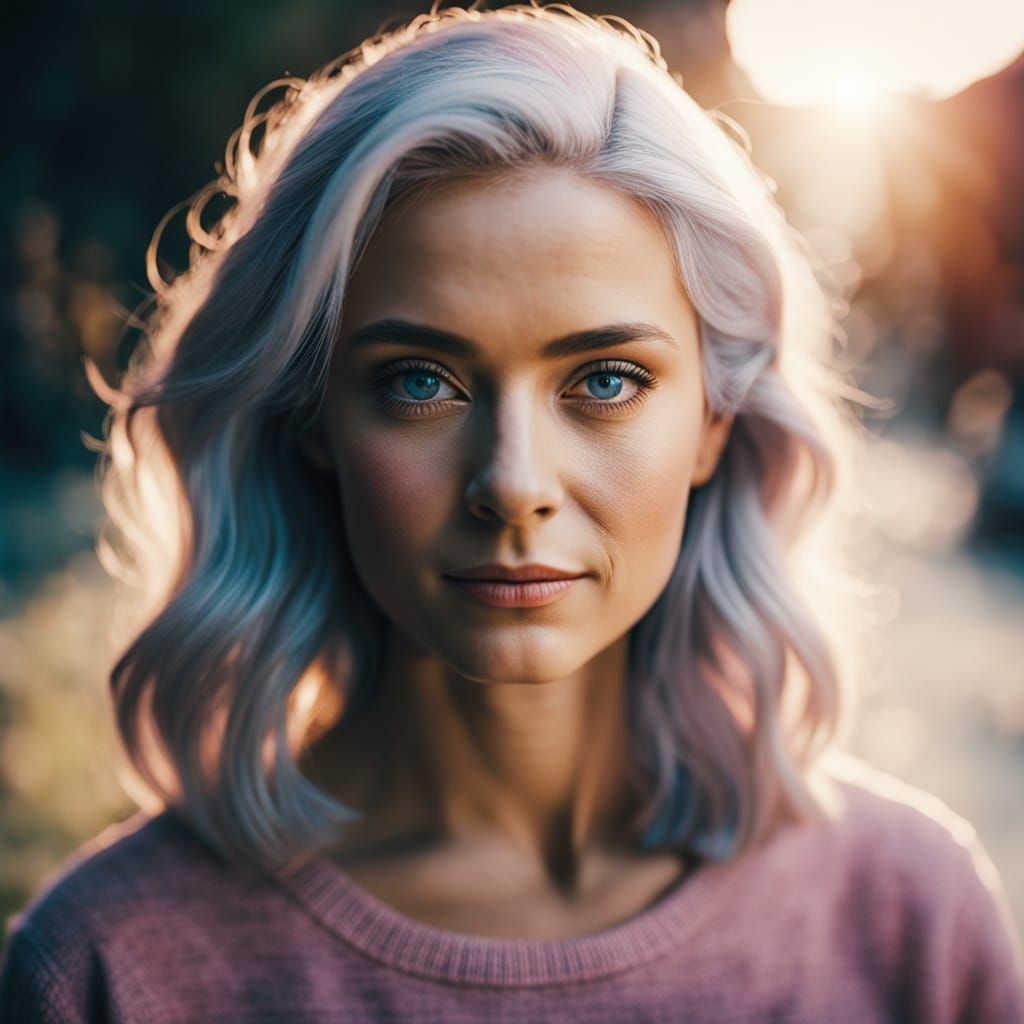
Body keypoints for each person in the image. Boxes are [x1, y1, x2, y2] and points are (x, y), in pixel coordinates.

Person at [2, 3, 1022, 1021]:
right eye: (418, 382)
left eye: (608, 380)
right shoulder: (114, 965)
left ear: (715, 419)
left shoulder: (908, 919)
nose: (513, 481)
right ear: (309, 414)